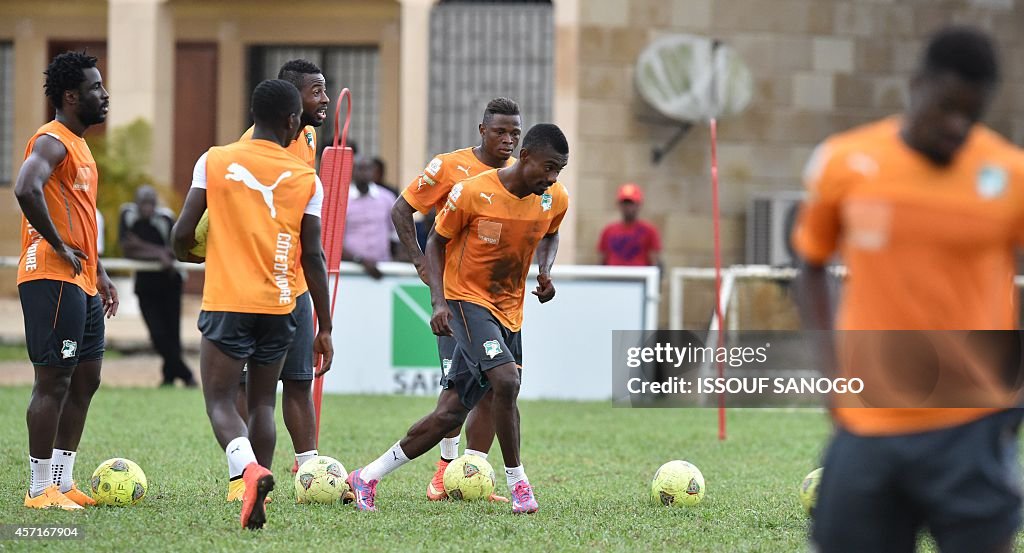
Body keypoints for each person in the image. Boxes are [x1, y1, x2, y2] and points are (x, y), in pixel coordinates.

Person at [792, 26, 1024, 553]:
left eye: (972, 114)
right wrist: (832, 377)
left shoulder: (1009, 174)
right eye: (945, 107)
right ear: (917, 85)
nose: (956, 126)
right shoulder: (846, 161)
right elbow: (809, 265)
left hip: (974, 426)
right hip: (870, 423)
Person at [347, 123, 570, 515]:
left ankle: (366, 477)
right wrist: (438, 301)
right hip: (466, 300)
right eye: (548, 168)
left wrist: (545, 271)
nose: (552, 178)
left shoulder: (554, 197)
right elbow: (436, 241)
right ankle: (520, 485)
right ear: (527, 157)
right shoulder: (472, 191)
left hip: (510, 310)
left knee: (450, 411)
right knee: (506, 380)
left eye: (559, 171)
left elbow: (551, 233)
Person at [171, 79, 334, 530]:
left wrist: (190, 253)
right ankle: (256, 490)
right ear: (290, 120)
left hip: (227, 301)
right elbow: (314, 257)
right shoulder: (306, 178)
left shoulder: (216, 159)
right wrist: (324, 324)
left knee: (221, 401)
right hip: (282, 304)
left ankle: (248, 472)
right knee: (263, 403)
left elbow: (183, 232)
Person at [390, 97, 521, 502]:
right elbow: (401, 210)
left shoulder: (520, 177)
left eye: (515, 133)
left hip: (498, 301)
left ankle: (470, 474)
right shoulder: (449, 166)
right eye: (500, 131)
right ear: (482, 130)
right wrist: (421, 265)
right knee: (456, 386)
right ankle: (444, 472)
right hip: (457, 297)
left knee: (489, 388)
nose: (508, 140)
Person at [16, 51, 118, 510]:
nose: (105, 94)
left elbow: (78, 221)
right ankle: (39, 491)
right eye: (97, 87)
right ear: (71, 96)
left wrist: (102, 273)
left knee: (85, 379)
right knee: (54, 380)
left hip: (82, 281)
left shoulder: (80, 145)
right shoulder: (52, 139)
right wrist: (57, 245)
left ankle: (62, 481)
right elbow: (25, 187)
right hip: (51, 277)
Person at [231, 59, 330, 498]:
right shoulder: (249, 150)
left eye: (325, 90)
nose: (324, 99)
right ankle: (243, 476)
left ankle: (311, 473)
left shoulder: (308, 135)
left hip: (297, 284)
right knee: (248, 385)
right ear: (291, 102)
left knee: (299, 379)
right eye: (316, 91)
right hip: (254, 284)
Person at [119, 185, 196, 388]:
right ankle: (186, 374)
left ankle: (170, 376)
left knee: (172, 333)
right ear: (136, 202)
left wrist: (147, 248)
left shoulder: (165, 219)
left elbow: (174, 251)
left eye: (151, 203)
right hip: (145, 286)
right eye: (143, 203)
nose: (147, 208)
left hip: (170, 283)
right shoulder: (127, 215)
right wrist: (158, 253)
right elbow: (127, 248)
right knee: (157, 334)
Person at [342, 155, 400, 279]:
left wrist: (396, 260)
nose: (364, 173)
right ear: (352, 171)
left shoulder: (387, 198)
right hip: (350, 271)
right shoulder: (342, 200)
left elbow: (395, 234)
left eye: (368, 169)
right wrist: (360, 260)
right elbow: (336, 241)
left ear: (373, 171)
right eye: (360, 169)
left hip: (383, 269)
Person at [598, 183, 662, 267]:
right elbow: (602, 259)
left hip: (639, 277)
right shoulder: (609, 230)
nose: (628, 207)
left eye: (631, 203)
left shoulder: (649, 230)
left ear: (639, 205)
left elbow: (654, 260)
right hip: (613, 277)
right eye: (625, 203)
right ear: (619, 205)